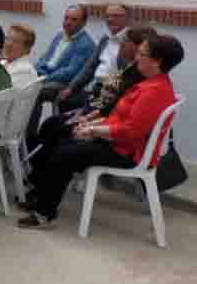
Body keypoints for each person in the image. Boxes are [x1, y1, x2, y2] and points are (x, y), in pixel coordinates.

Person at [18, 34, 183, 229]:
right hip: (118, 143)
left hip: (126, 152)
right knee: (61, 137)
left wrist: (93, 131)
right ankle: (41, 199)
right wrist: (90, 126)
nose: (137, 57)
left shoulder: (154, 91)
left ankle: (44, 213)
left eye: (142, 53)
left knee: (65, 152)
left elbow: (130, 131)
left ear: (158, 61)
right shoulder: (149, 82)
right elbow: (119, 116)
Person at [27, 26, 157, 193]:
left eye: (125, 42)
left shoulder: (136, 78)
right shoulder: (128, 67)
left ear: (137, 48)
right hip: (96, 111)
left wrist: (87, 121)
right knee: (51, 124)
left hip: (106, 129)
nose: (122, 45)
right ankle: (38, 179)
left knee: (57, 130)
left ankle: (40, 184)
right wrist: (84, 113)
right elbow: (103, 98)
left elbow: (112, 111)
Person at [28, 5, 96, 133]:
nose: (67, 22)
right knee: (22, 83)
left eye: (73, 19)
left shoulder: (86, 44)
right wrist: (36, 70)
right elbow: (45, 57)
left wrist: (45, 78)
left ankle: (30, 136)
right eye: (66, 18)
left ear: (83, 23)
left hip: (63, 83)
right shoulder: (60, 36)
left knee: (35, 92)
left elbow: (70, 71)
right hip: (46, 76)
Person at [56, 3, 129, 112]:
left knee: (69, 121)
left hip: (112, 92)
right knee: (65, 99)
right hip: (96, 88)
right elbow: (89, 67)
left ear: (126, 18)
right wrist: (71, 87)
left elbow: (128, 73)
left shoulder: (130, 41)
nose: (110, 19)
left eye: (116, 16)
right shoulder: (105, 39)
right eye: (108, 16)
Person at [1, 24, 39, 88]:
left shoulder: (25, 71)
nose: (8, 44)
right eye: (7, 39)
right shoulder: (3, 62)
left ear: (26, 48)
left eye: (15, 42)